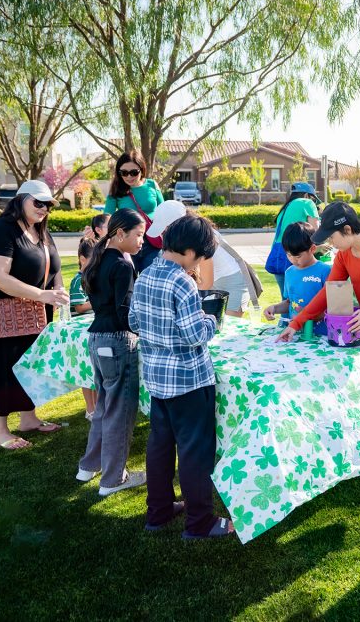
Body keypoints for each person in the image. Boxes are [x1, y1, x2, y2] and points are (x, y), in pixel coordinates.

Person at [129, 215, 235, 539]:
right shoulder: (183, 282)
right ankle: (199, 522)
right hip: (189, 381)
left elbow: (134, 320)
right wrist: (212, 321)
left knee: (159, 447)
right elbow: (193, 335)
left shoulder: (145, 274)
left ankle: (158, 512)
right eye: (202, 257)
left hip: (158, 380)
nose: (200, 263)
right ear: (190, 252)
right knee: (194, 452)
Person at [277, 203, 360, 412]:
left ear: (347, 230)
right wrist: (296, 323)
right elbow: (327, 292)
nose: (330, 243)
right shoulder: (343, 255)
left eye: (332, 237)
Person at [0, 180, 68, 450]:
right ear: (20, 199)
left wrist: (57, 289)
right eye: (38, 202)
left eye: (48, 204)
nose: (44, 208)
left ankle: (29, 419)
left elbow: (53, 266)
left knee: (29, 363)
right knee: (1, 365)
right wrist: (41, 295)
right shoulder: (0, 229)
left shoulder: (40, 230)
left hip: (33, 308)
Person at [76, 209, 148, 496]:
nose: (142, 241)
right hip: (118, 342)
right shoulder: (122, 265)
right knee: (120, 412)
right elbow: (126, 312)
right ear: (120, 234)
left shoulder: (99, 258)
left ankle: (88, 466)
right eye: (139, 235)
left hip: (97, 340)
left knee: (104, 408)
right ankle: (113, 479)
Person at [263, 222, 332, 334]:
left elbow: (333, 309)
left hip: (320, 335)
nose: (294, 260)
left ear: (312, 249)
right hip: (295, 333)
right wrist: (274, 308)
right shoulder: (289, 272)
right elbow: (289, 302)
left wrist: (309, 315)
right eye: (289, 255)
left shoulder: (325, 271)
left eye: (298, 256)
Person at [103, 150, 165, 272]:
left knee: (151, 281)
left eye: (133, 172)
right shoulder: (116, 190)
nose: (129, 177)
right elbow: (107, 217)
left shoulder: (152, 185)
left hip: (153, 242)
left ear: (142, 169)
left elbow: (164, 210)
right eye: (124, 173)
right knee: (130, 283)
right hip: (127, 243)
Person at [265, 182, 321, 298]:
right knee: (303, 300)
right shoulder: (307, 202)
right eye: (313, 199)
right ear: (306, 195)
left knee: (286, 301)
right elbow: (317, 233)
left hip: (280, 256)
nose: (313, 202)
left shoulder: (285, 208)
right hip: (298, 255)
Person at [70, 236, 97, 420]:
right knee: (86, 371)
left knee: (96, 371)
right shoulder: (77, 280)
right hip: (81, 333)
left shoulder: (94, 277)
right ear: (82, 259)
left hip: (94, 329)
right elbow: (79, 306)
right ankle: (90, 408)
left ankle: (97, 407)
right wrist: (99, 301)